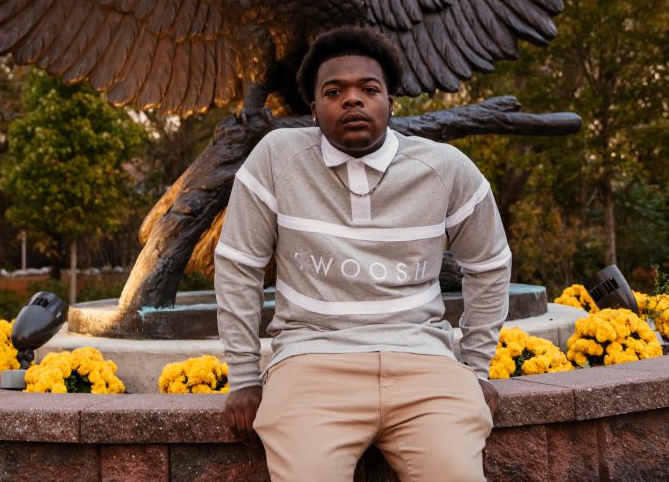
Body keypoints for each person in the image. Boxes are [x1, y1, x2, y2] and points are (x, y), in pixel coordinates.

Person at [214, 26, 511, 481]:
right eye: (334, 92)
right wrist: (244, 377)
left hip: (425, 367)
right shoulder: (276, 158)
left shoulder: (446, 168)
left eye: (368, 89)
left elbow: (488, 265)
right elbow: (238, 266)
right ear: (313, 110)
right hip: (310, 365)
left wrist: (475, 366)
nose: (352, 100)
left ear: (391, 101)